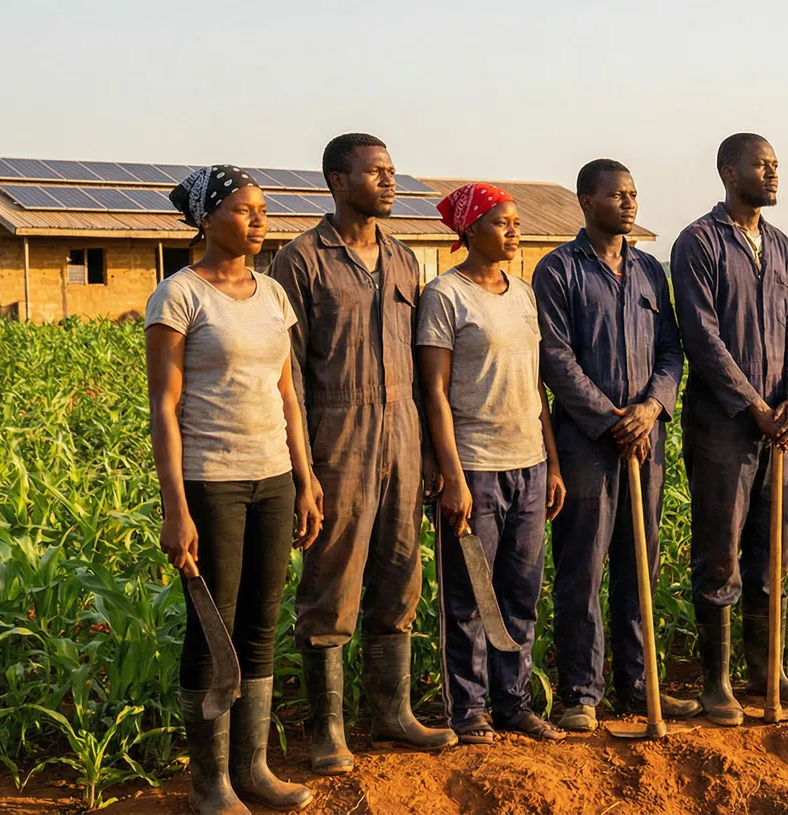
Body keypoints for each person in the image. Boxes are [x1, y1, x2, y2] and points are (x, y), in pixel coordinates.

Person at [269, 133, 454, 773]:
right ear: (337, 182)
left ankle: (393, 715)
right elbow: (287, 369)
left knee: (402, 573)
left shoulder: (405, 261)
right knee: (332, 580)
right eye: (376, 172)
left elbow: (426, 365)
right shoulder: (300, 261)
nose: (390, 181)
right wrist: (303, 469)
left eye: (393, 171)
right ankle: (327, 730)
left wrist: (431, 452)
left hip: (402, 428)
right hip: (335, 431)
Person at [147, 165, 320, 813]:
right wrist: (176, 508)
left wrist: (304, 479)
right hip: (211, 481)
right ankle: (209, 781)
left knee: (260, 624)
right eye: (245, 209)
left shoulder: (274, 296)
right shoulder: (179, 296)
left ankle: (253, 768)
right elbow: (164, 408)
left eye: (263, 209)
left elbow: (287, 394)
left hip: (272, 476)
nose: (259, 219)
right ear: (208, 219)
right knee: (211, 626)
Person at [535, 159, 699, 733]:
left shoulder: (650, 271)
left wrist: (652, 408)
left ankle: (637, 685)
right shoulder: (558, 270)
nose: (630, 202)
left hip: (644, 442)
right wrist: (612, 421)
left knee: (639, 565)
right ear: (586, 201)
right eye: (617, 194)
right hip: (587, 443)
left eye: (633, 193)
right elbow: (554, 357)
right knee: (582, 566)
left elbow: (671, 350)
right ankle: (581, 691)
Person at [672, 133, 788, 726]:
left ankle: (767, 671)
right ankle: (716, 685)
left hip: (776, 425)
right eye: (763, 165)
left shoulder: (781, 245)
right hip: (725, 426)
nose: (773, 173)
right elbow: (702, 338)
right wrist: (753, 403)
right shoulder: (698, 242)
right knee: (720, 553)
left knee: (771, 550)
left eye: (777, 164)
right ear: (728, 171)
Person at [416, 183, 568, 742]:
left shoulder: (524, 295)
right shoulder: (445, 296)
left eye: (517, 223)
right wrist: (451, 476)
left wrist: (551, 463)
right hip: (475, 465)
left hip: (527, 462)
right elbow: (433, 392)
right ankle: (469, 709)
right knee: (469, 596)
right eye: (502, 222)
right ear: (471, 230)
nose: (514, 231)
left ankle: (513, 702)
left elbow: (535, 385)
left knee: (521, 593)